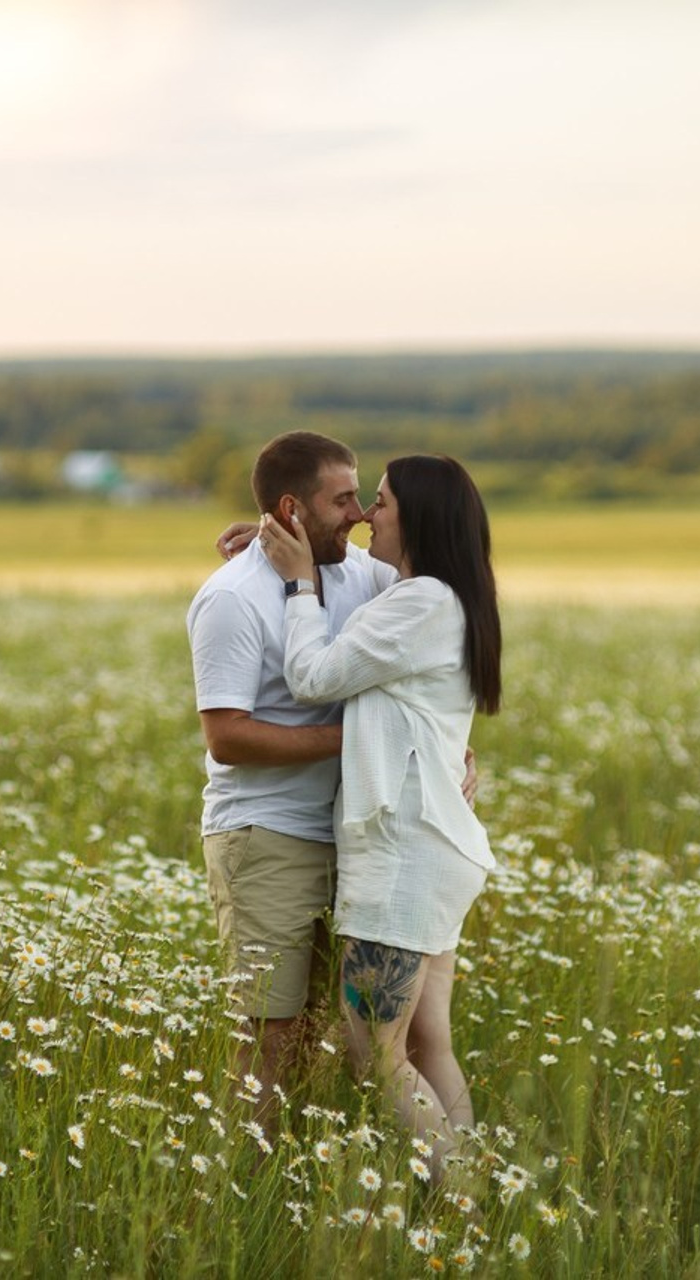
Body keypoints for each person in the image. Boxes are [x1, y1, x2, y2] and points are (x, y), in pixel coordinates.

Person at [187, 431, 477, 1119]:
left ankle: (444, 1191)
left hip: (359, 839)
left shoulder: (361, 575)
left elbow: (435, 641)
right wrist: (360, 741)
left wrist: (447, 748)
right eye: (344, 500)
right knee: (272, 1036)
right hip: (269, 836)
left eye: (366, 499)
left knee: (335, 1036)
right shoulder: (233, 599)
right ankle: (240, 1196)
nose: (359, 515)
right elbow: (226, 738)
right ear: (293, 508)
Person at [257, 454, 500, 1182]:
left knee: (375, 1054)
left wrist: (299, 584)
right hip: (435, 848)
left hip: (402, 857)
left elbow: (312, 678)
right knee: (430, 1042)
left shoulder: (420, 601)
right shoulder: (444, 598)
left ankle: (462, 1202)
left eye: (383, 503)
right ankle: (476, 1190)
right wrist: (275, 544)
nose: (367, 515)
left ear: (418, 519)